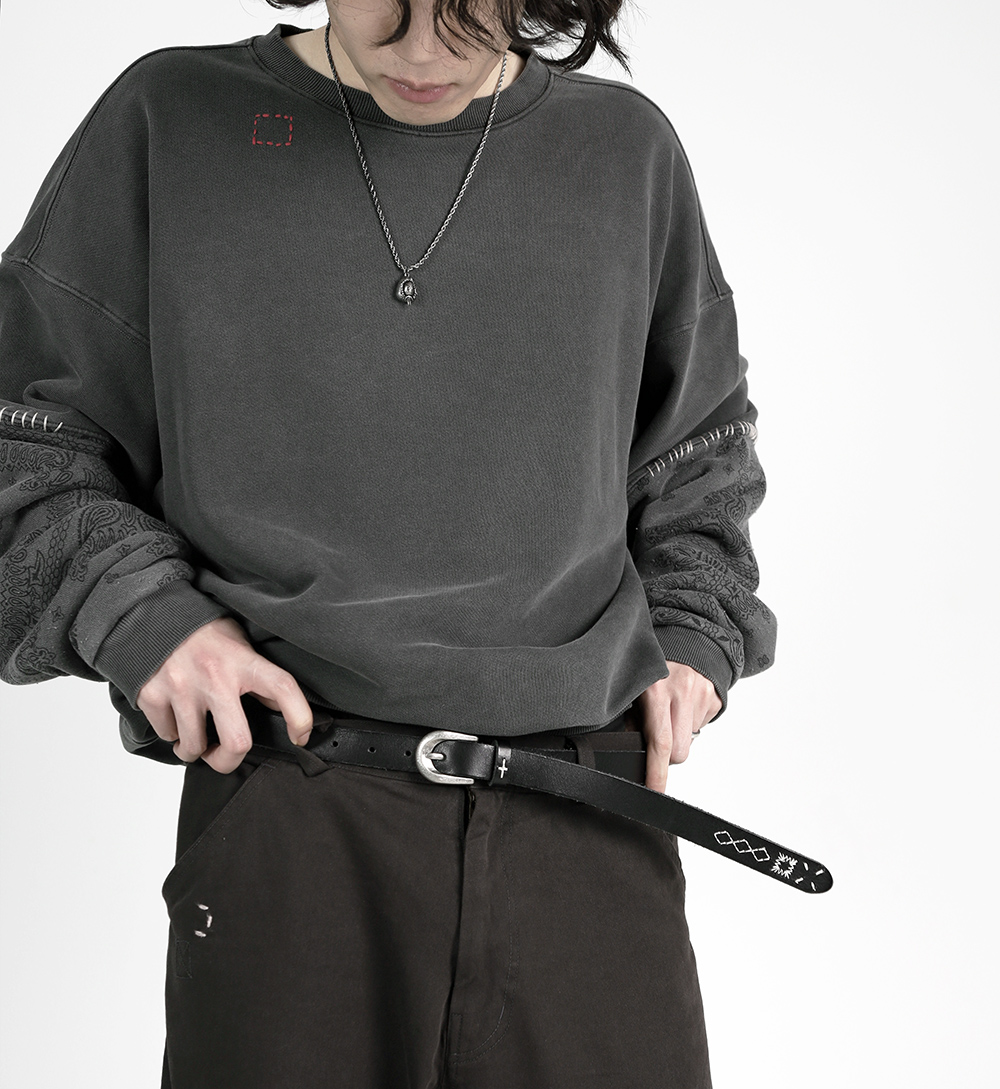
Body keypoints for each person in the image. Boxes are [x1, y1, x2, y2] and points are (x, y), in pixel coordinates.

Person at [0, 1, 777, 1085]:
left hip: (588, 820)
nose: (420, 50)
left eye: (469, 9)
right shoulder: (171, 119)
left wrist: (695, 634)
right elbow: (28, 434)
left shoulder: (622, 153)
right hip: (295, 816)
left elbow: (698, 457)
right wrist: (141, 615)